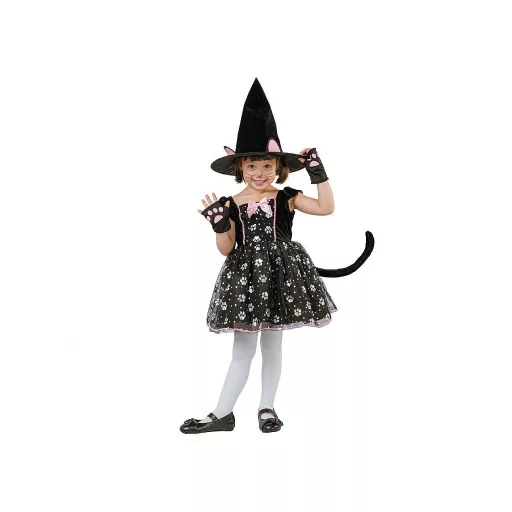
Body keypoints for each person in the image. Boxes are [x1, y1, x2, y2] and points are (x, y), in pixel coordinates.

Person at [180, 79, 373, 434]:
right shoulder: (229, 204)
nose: (260, 173)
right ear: (240, 167)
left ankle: (266, 408)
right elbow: (227, 249)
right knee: (242, 350)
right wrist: (220, 227)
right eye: (252, 166)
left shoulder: (286, 196)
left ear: (278, 167)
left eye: (267, 166)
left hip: (280, 277)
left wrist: (317, 172)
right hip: (245, 281)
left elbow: (326, 207)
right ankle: (222, 413)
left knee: (273, 345)